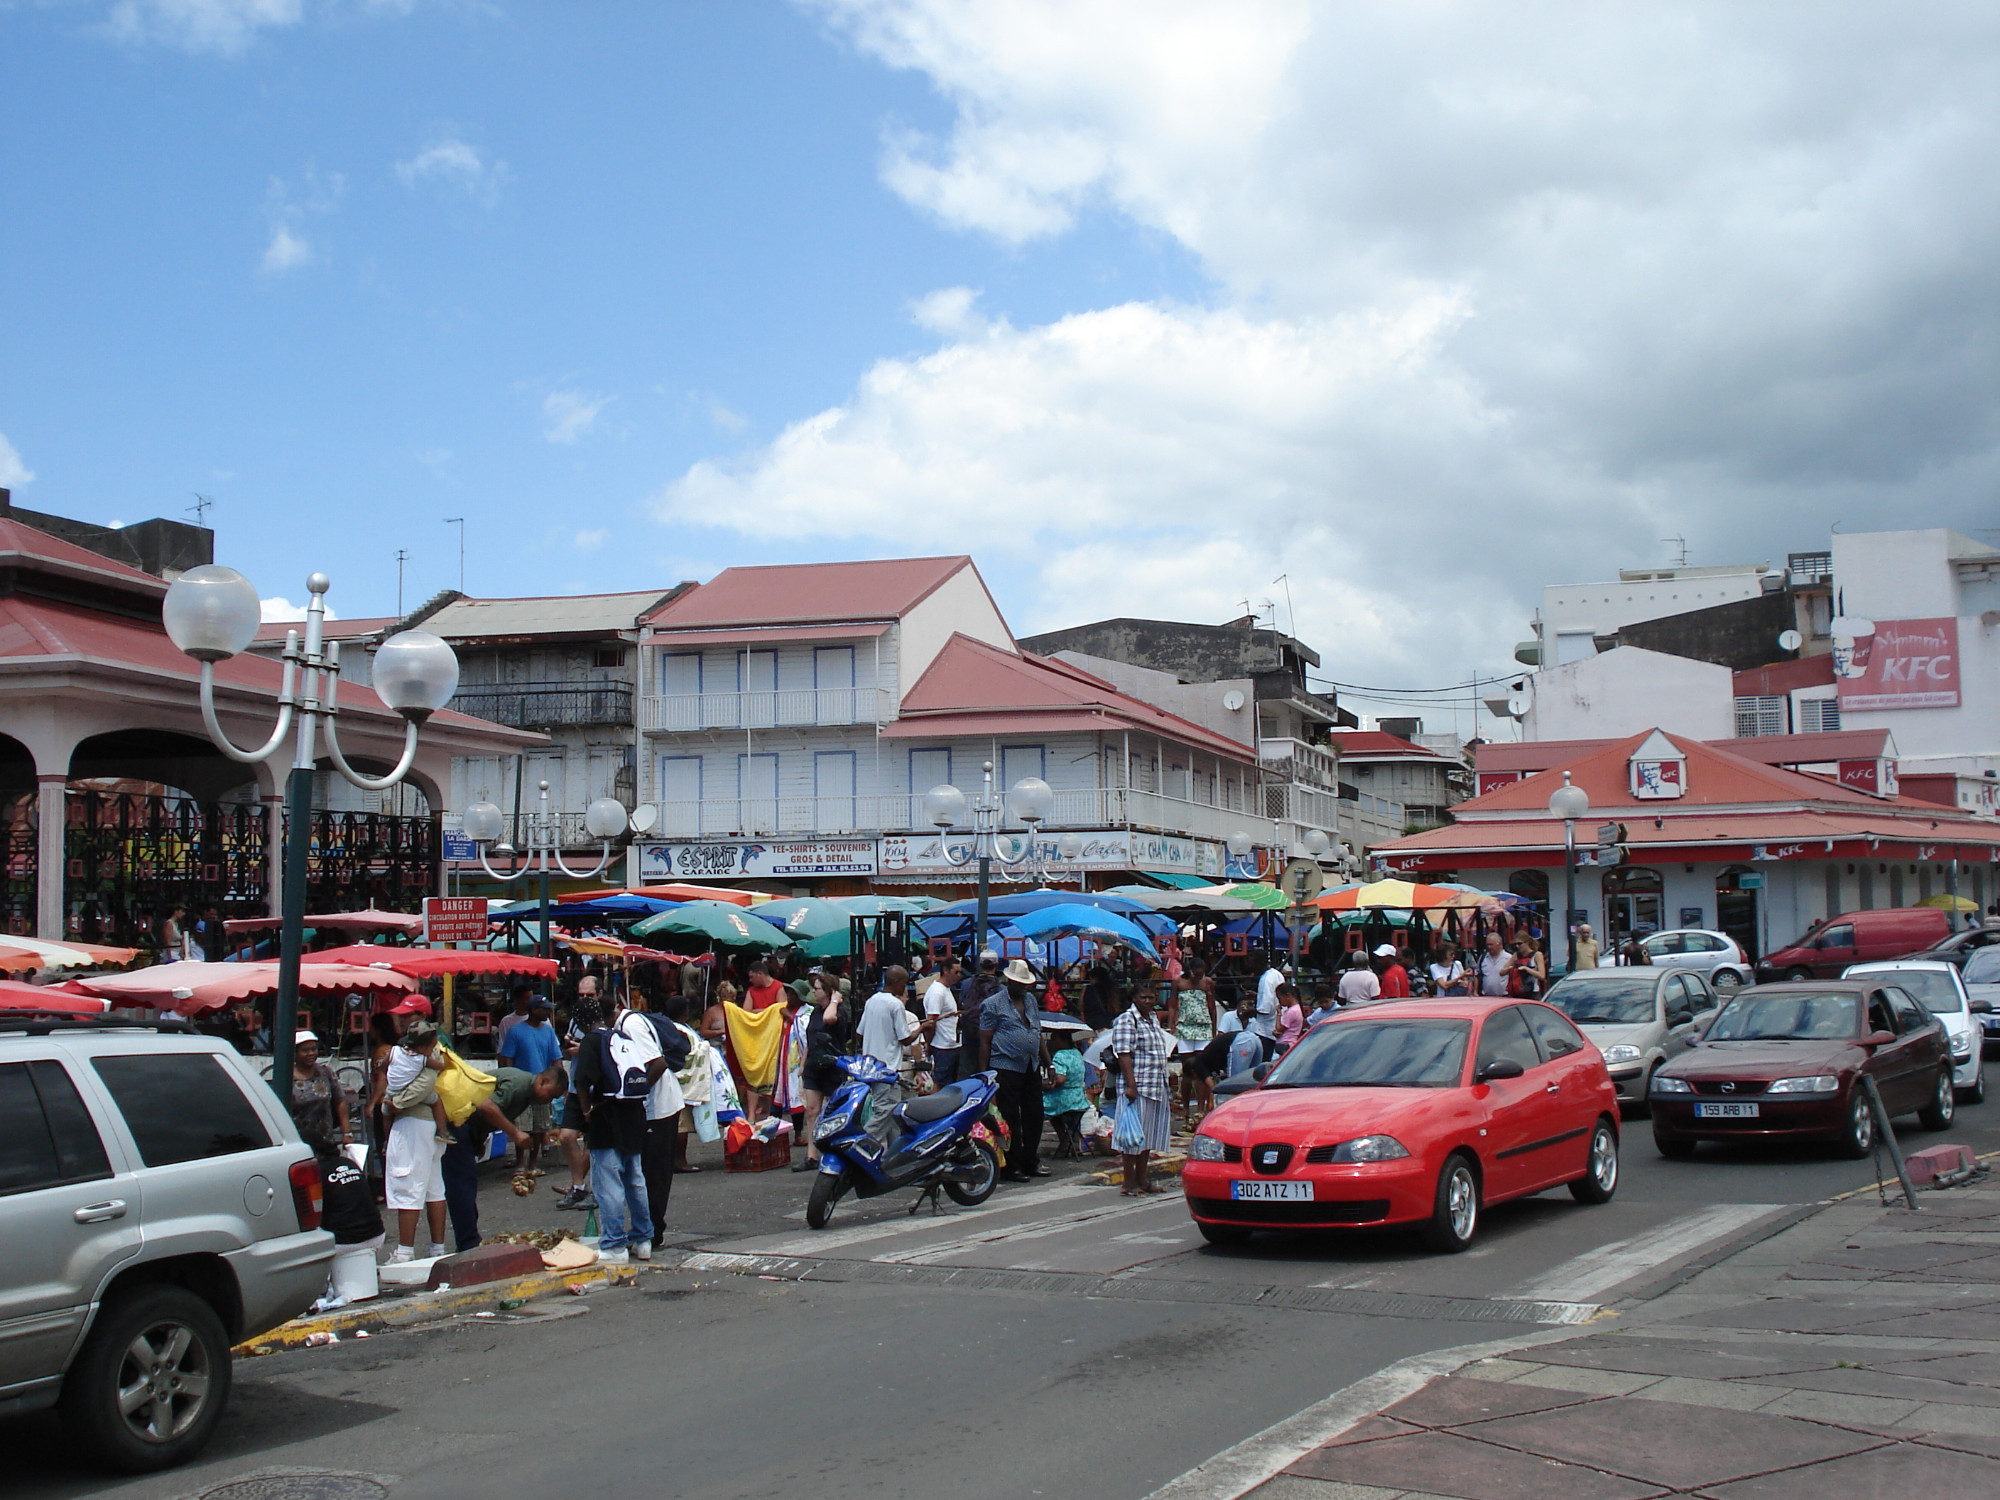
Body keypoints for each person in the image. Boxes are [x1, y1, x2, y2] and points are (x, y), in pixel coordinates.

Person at [570, 996, 658, 1266]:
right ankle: (643, 1239)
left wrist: (586, 1112)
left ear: (581, 1022)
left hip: (606, 1116)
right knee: (635, 1178)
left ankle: (614, 1245)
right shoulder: (621, 1036)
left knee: (609, 1183)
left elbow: (582, 1082)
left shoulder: (591, 1042)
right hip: (634, 1115)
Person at [441, 1063, 555, 1251]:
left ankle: (469, 1237)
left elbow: (486, 1116)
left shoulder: (527, 1095)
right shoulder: (519, 1084)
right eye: (550, 1095)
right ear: (544, 1081)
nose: (548, 1101)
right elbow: (486, 1106)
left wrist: (477, 1140)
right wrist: (515, 1133)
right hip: (457, 1117)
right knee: (461, 1184)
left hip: (468, 1124)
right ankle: (467, 1242)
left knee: (466, 1183)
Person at [383, 1020, 450, 1262]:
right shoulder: (422, 1055)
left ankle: (404, 1252)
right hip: (426, 1124)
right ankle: (437, 1249)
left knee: (408, 1185)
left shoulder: (424, 1058)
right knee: (433, 1187)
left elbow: (422, 1087)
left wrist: (396, 1103)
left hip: (413, 1124)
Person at [628, 997, 690, 1252]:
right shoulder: (622, 1028)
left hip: (660, 1107)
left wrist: (637, 1094)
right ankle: (646, 1228)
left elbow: (658, 1063)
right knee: (645, 1170)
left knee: (654, 1173)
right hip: (654, 1107)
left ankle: (652, 1231)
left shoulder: (630, 1026)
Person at [980, 959, 1050, 1181]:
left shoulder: (1029, 1001)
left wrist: (1048, 1062)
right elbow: (984, 1041)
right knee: (1011, 1118)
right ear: (1009, 981)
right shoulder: (993, 1004)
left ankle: (1031, 1160)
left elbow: (1036, 1034)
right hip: (1005, 1066)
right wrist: (986, 1075)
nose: (1024, 987)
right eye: (1020, 983)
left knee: (1035, 1115)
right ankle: (1013, 1165)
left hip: (1030, 1065)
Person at [1109, 983, 1172, 1196]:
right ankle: (1128, 1183)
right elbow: (1124, 1054)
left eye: (1151, 998)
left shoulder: (1152, 1018)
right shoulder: (1127, 1020)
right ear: (1134, 998)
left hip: (1155, 1085)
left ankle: (1143, 1180)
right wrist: (1131, 1085)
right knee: (1131, 1139)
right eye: (1143, 998)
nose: (1148, 1001)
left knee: (1147, 1137)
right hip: (1138, 1087)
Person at [496, 995, 561, 1172]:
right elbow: (507, 1058)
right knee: (522, 1125)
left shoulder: (548, 1031)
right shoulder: (516, 1031)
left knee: (540, 1128)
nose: (548, 1012)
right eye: (544, 1009)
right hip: (523, 1087)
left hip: (544, 1088)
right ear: (533, 1010)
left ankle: (532, 1164)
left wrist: (560, 1082)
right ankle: (520, 1163)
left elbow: (556, 1058)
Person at [798, 971, 851, 1170]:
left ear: (828, 991)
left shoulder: (837, 1011)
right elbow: (810, 1039)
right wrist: (803, 1063)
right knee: (812, 1110)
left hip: (832, 1066)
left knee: (833, 1110)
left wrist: (835, 1001)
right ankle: (811, 1155)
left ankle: (833, 1151)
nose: (813, 991)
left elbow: (830, 1020)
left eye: (818, 988)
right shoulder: (815, 1012)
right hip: (814, 1065)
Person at [553, 997, 602, 1211]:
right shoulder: (575, 1022)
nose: (585, 997)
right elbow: (566, 1045)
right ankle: (579, 1185)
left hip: (595, 1089)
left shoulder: (605, 1028)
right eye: (581, 993)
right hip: (575, 1087)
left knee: (594, 1142)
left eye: (589, 993)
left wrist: (585, 1050)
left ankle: (583, 1187)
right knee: (566, 1136)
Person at [288, 1030, 353, 1149]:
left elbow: (339, 1101)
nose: (310, 1053)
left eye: (313, 1049)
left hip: (325, 1140)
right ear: (295, 1053)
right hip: (298, 1141)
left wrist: (347, 1132)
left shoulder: (325, 1072)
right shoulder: (286, 1077)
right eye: (305, 1050)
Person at [858, 965, 924, 1071]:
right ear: (895, 981)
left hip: (869, 1067)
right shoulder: (896, 1004)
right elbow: (905, 1040)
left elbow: (859, 1033)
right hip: (888, 1069)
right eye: (904, 983)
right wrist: (922, 1028)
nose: (904, 987)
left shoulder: (871, 1000)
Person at [1173, 968, 1216, 1121]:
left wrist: (1213, 1029)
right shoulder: (1179, 982)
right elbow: (1173, 1004)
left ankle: (1200, 1109)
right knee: (1186, 1069)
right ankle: (1185, 1108)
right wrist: (1173, 1027)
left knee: (1201, 1068)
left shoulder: (1207, 983)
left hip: (1203, 1027)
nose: (1198, 977)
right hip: (1184, 1027)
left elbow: (1212, 1008)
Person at [1042, 1029, 1089, 1157]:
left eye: (1054, 1039)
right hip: (1079, 1098)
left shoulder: (1060, 1055)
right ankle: (1070, 1141)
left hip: (1065, 1100)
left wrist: (1044, 1084)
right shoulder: (1077, 1053)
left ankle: (1064, 1141)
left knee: (1042, 1107)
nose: (1052, 1042)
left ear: (1063, 1040)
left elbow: (1060, 1079)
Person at [921, 955, 964, 1086]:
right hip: (943, 1046)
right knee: (940, 1083)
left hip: (950, 1044)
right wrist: (928, 1044)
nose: (958, 976)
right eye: (955, 972)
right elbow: (931, 1022)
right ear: (945, 970)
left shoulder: (945, 990)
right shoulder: (937, 992)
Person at [1252, 960, 1284, 1049]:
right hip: (1277, 1024)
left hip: (1266, 1030)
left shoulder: (1265, 979)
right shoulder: (1276, 974)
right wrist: (1257, 996)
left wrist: (1250, 1011)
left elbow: (1265, 1009)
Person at [494, 985, 533, 1056]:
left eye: (532, 999)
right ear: (517, 1000)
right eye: (527, 999)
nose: (530, 1002)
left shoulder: (541, 1020)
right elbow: (502, 1049)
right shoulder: (506, 1022)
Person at [1274, 984, 1304, 1051]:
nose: (1279, 1002)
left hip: (1286, 1044)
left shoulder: (1292, 1011)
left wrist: (1278, 1014)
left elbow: (1279, 1028)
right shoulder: (1296, 1009)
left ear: (1288, 995)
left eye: (1280, 998)